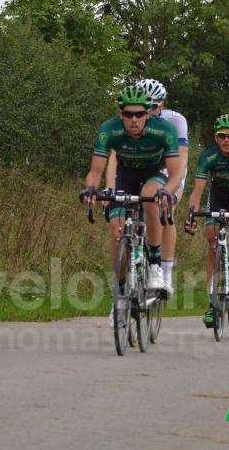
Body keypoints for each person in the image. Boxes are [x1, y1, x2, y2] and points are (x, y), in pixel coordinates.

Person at [79, 85, 182, 326]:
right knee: (116, 229)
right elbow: (95, 171)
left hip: (154, 175)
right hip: (125, 178)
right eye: (128, 114)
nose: (134, 120)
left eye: (139, 114)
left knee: (151, 198)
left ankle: (155, 263)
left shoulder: (164, 130)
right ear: (120, 114)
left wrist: (167, 191)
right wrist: (92, 189)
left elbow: (176, 173)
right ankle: (120, 295)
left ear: (148, 114)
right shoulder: (109, 130)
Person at [105, 79, 188, 297]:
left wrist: (168, 190)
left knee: (165, 211)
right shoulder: (130, 121)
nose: (147, 111)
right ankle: (121, 288)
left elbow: (181, 158)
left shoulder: (174, 122)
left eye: (153, 107)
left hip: (169, 169)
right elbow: (114, 155)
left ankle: (164, 273)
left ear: (162, 106)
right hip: (132, 168)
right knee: (121, 223)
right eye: (145, 106)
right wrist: (109, 188)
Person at [184, 114, 229, 325]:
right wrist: (191, 214)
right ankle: (212, 302)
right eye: (222, 136)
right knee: (212, 240)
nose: (226, 140)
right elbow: (197, 192)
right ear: (216, 138)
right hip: (219, 194)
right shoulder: (208, 155)